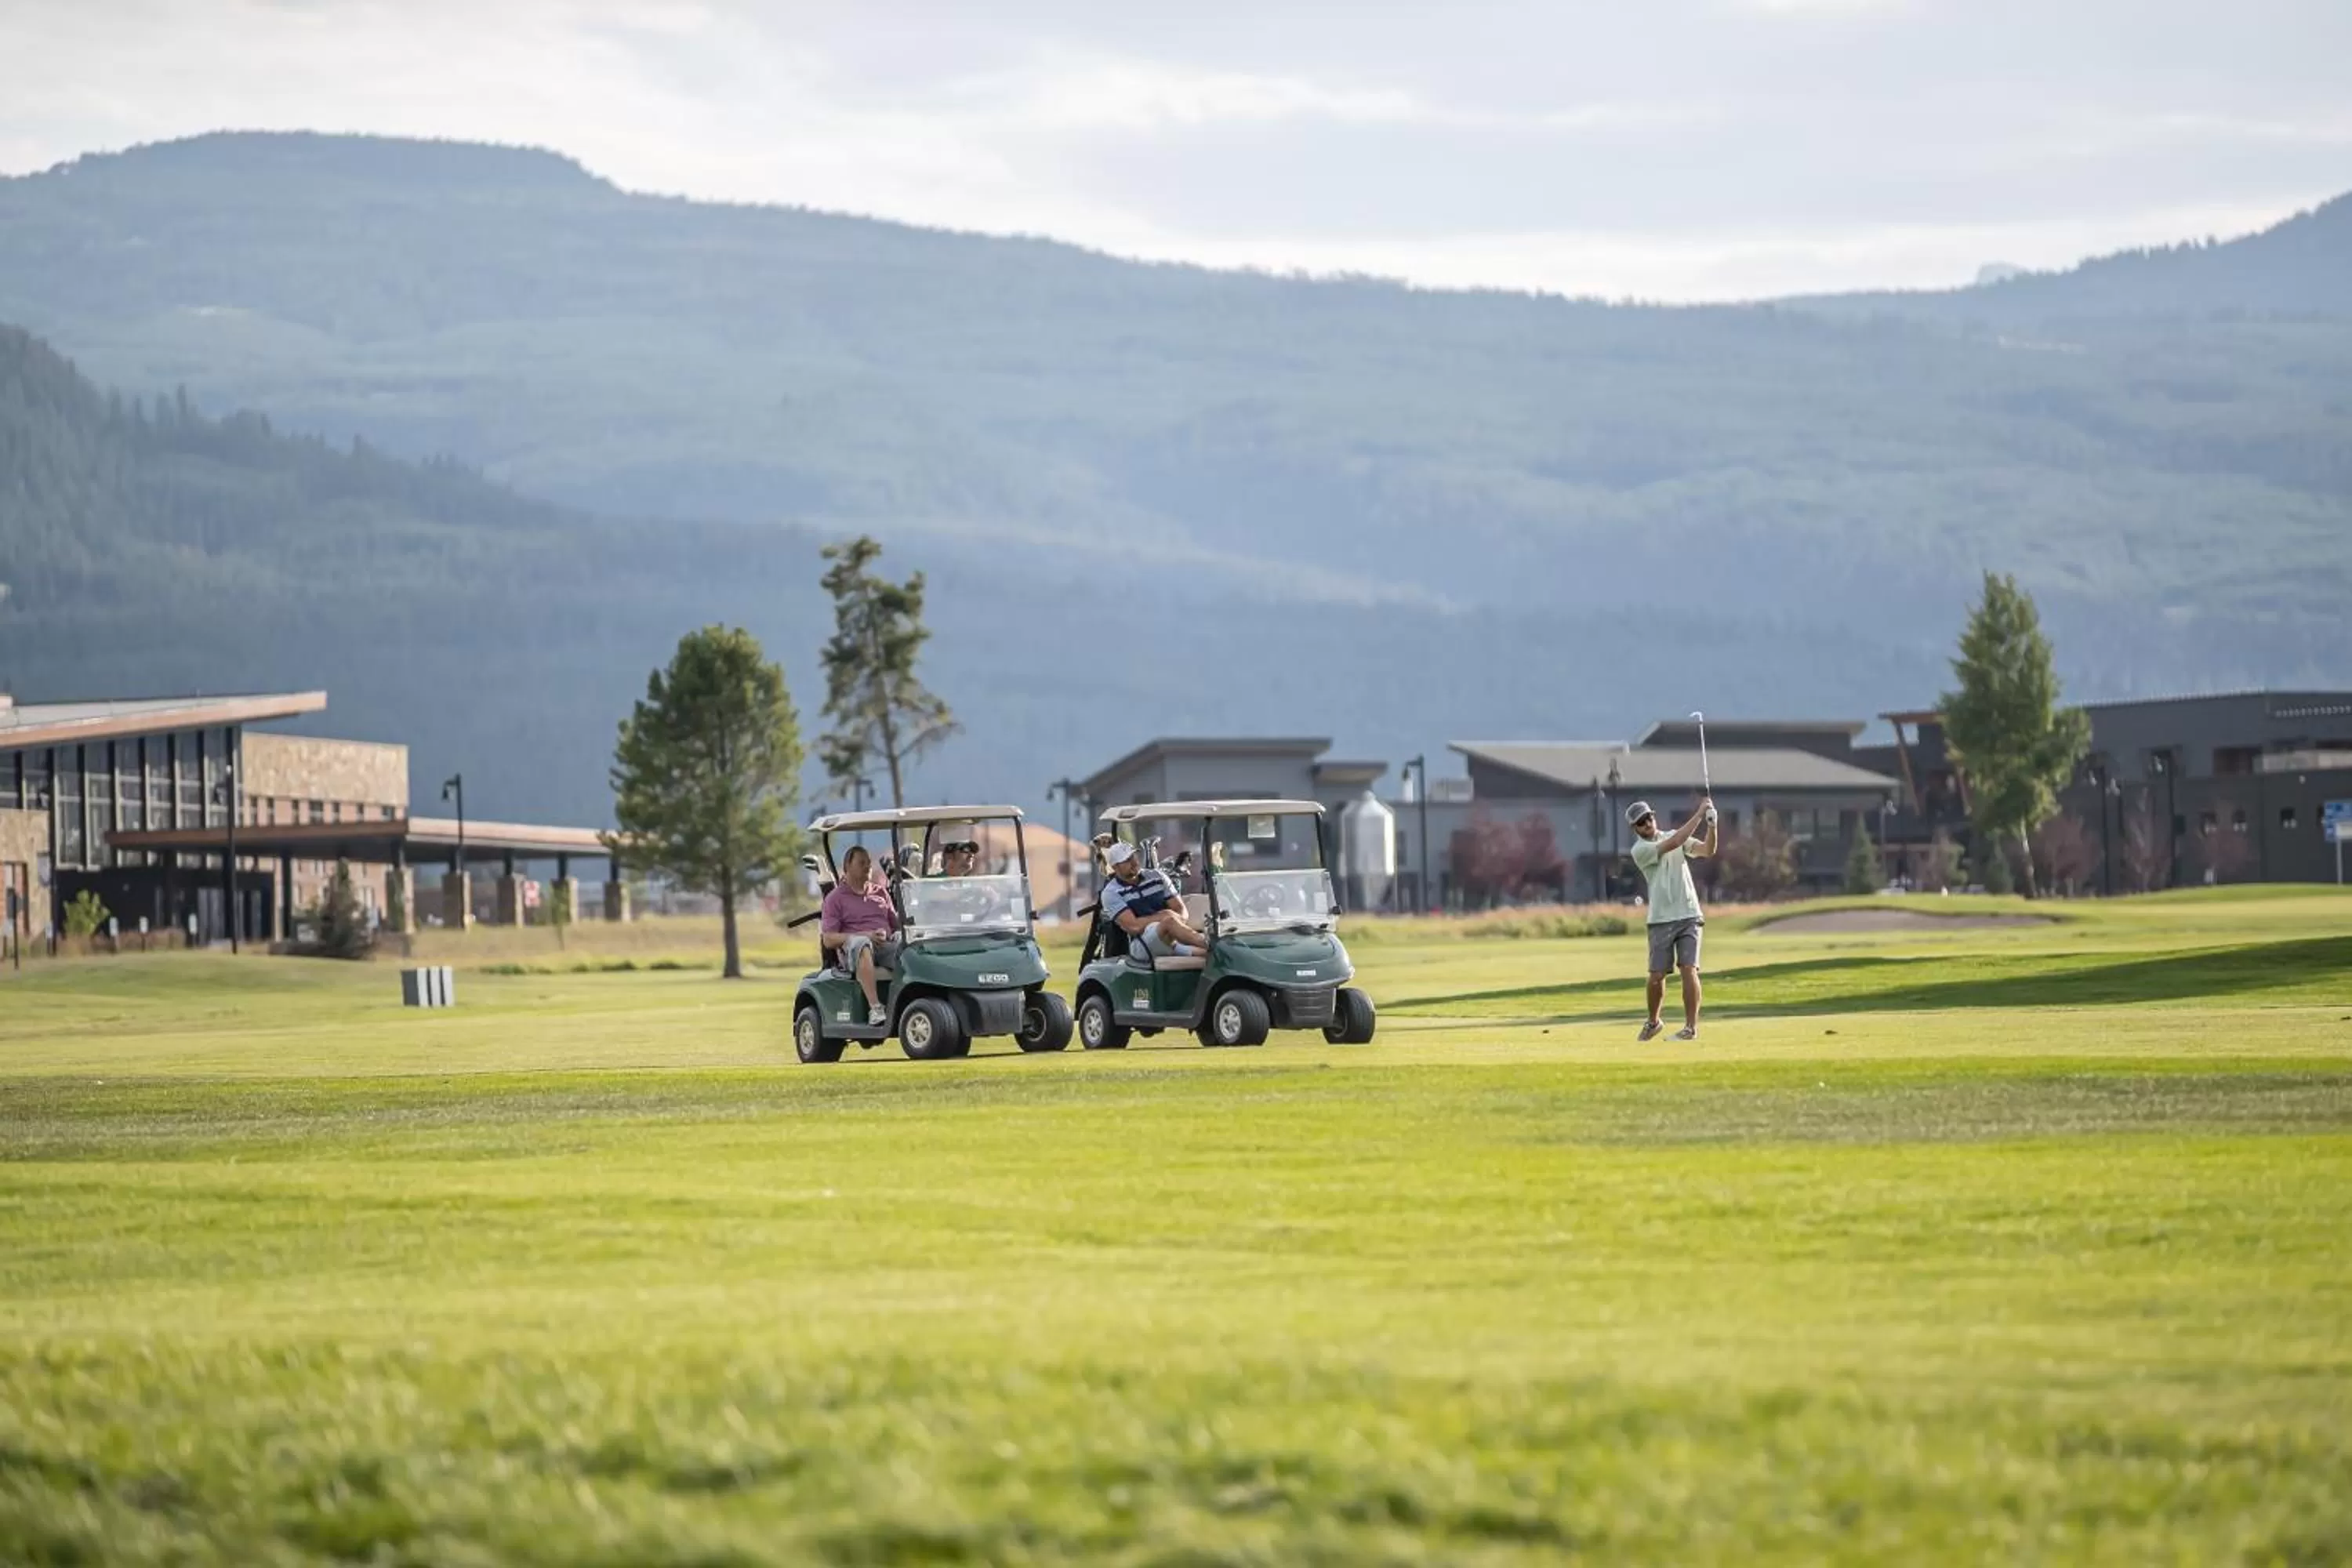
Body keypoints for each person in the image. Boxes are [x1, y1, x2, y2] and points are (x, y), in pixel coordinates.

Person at [1626, 796, 1716, 1041]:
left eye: (1649, 818)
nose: (1647, 823)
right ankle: (1654, 1022)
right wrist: (1698, 814)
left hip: (1689, 913)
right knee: (1657, 976)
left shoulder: (1676, 835)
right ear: (1635, 828)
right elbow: (1676, 842)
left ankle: (1690, 1028)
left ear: (1654, 817)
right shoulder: (1640, 850)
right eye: (1641, 822)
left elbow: (1707, 850)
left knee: (1689, 969)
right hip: (1661, 919)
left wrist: (1712, 825)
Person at [821, 844, 899, 1025]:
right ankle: (875, 1008)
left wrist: (897, 934)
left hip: (884, 946)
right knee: (862, 943)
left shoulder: (880, 893)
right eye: (862, 862)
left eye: (869, 863)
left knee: (908, 948)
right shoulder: (835, 899)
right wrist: (865, 935)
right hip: (854, 951)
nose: (868, 867)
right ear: (847, 866)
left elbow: (895, 925)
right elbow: (829, 939)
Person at [1101, 840, 1212, 958]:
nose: (1134, 862)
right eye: (1127, 860)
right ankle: (1211, 944)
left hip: (1170, 938)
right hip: (1141, 945)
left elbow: (1181, 912)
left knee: (1210, 956)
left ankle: (1208, 949)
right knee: (1169, 921)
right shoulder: (1111, 893)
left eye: (1133, 856)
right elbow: (1134, 927)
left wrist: (1173, 923)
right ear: (1115, 867)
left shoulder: (1157, 876)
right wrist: (1164, 917)